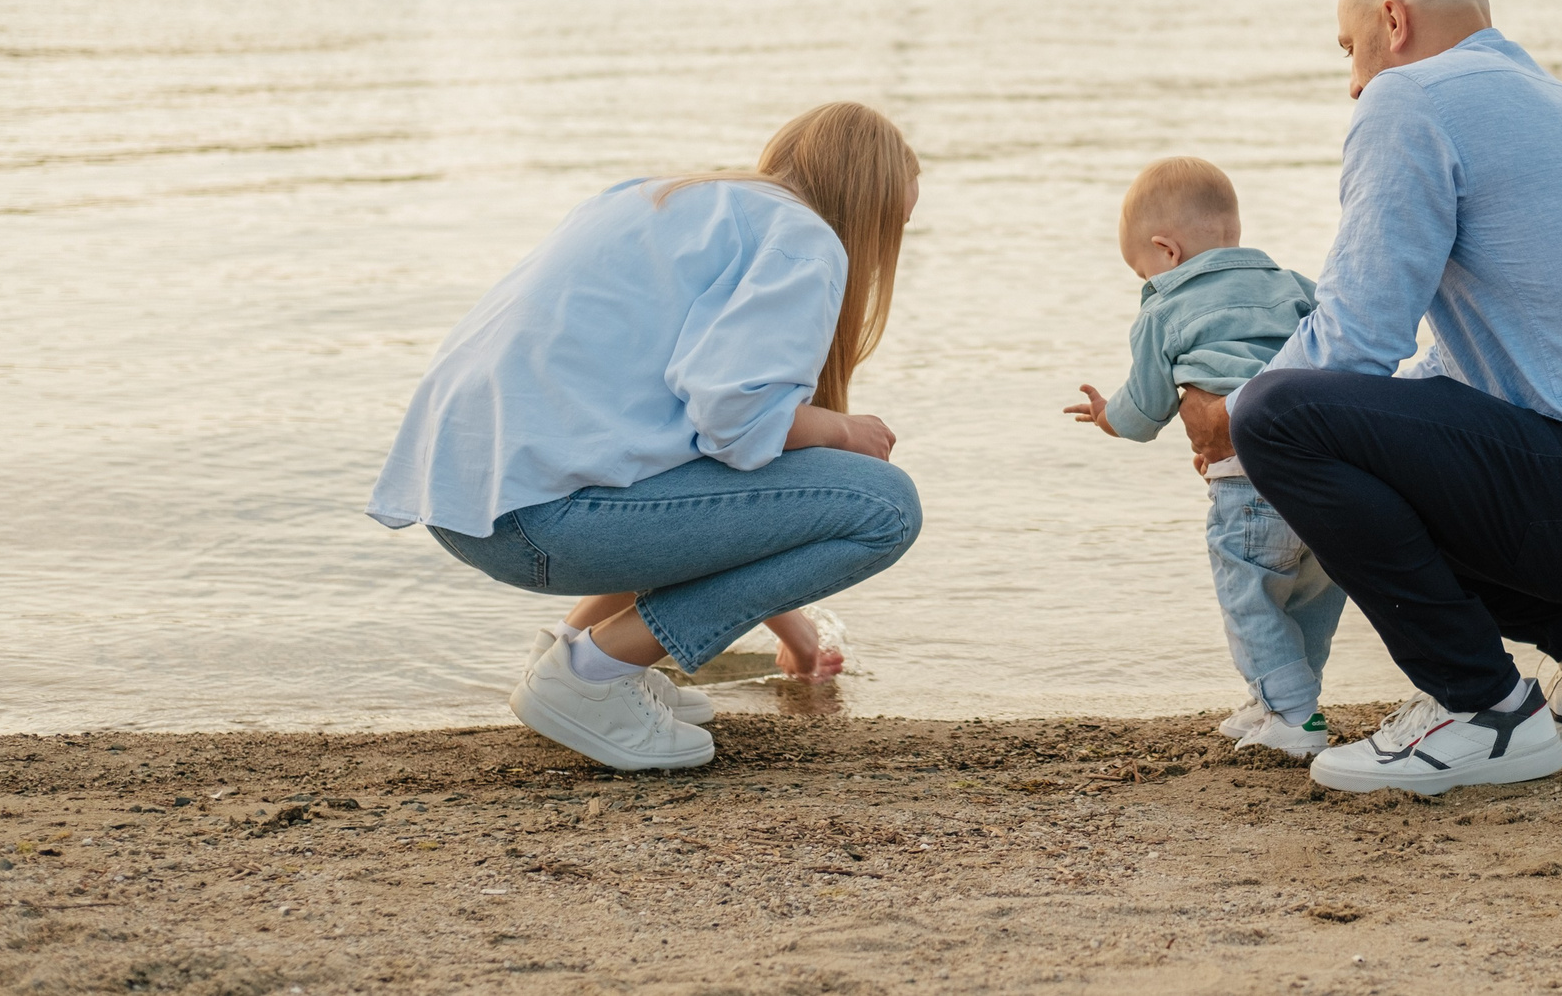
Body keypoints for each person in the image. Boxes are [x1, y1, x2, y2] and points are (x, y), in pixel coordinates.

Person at [1181, 0, 1562, 797]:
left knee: (1281, 417)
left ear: (1392, 21)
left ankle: (1479, 708)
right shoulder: (1547, 100)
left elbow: (1357, 338)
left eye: (1349, 49)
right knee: (1375, 423)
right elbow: (1462, 379)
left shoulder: (1410, 99)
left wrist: (1234, 419)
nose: (1352, 80)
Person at [366, 102, 925, 773]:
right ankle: (592, 674)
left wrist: (796, 633)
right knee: (886, 506)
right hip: (541, 521)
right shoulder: (804, 239)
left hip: (473, 504)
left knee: (781, 468)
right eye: (897, 223)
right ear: (869, 203)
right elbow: (738, 421)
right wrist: (840, 428)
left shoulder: (665, 198)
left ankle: (574, 650)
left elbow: (714, 476)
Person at [1062, 158, 1341, 760]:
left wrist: (1105, 414)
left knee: (1251, 595)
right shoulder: (1292, 284)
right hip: (1327, 474)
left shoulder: (1164, 308)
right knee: (1312, 593)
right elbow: (1337, 348)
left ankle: (1292, 715)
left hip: (1248, 485)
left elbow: (1144, 412)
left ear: (1164, 250)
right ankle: (1286, 702)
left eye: (1141, 269)